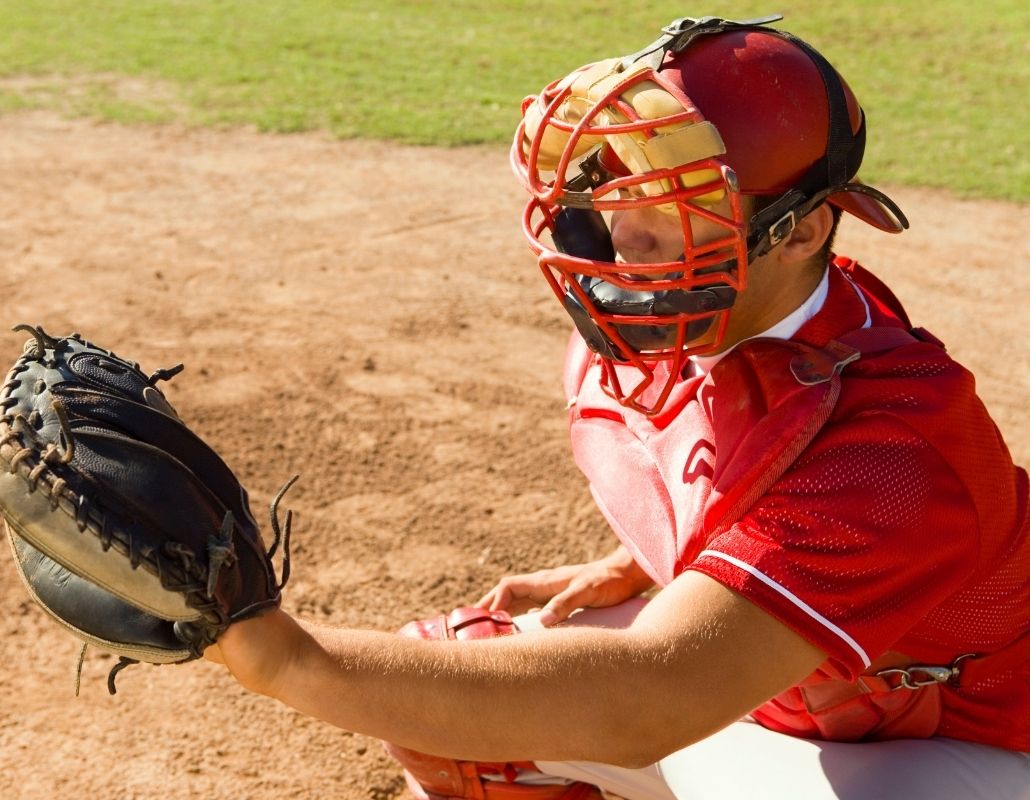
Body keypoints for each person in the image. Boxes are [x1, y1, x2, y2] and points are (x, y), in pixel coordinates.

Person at [205, 15, 1029, 799]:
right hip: (834, 710)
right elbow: (749, 455)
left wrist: (286, 659)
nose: (620, 239)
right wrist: (658, 563)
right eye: (618, 190)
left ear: (802, 233)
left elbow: (647, 702)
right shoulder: (706, 324)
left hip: (980, 749)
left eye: (676, 209)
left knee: (553, 704)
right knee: (462, 708)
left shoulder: (894, 454)